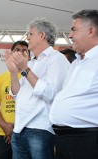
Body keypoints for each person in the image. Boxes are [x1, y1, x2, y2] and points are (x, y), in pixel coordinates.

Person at [4, 18, 69, 159]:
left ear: (42, 35)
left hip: (40, 128)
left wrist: (25, 69)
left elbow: (51, 93)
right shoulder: (32, 62)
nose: (27, 37)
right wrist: (13, 73)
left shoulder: (57, 59)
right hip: (19, 128)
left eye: (30, 34)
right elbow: (17, 95)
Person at [49, 9, 98, 159]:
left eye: (74, 30)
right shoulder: (77, 63)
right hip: (65, 139)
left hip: (87, 141)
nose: (70, 35)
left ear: (91, 31)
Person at [0, 40, 28, 159]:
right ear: (11, 53)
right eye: (17, 50)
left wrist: (16, 128)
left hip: (25, 133)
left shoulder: (32, 76)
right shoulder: (1, 78)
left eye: (24, 50)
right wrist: (5, 126)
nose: (20, 53)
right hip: (2, 133)